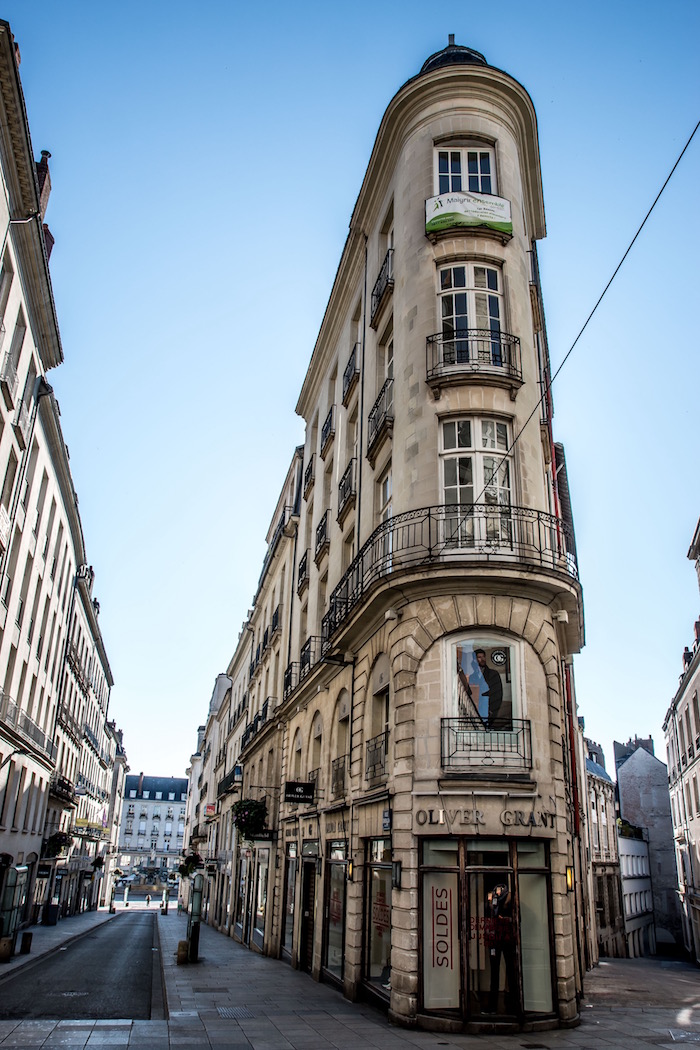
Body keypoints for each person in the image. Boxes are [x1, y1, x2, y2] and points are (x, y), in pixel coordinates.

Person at [474, 649, 510, 728]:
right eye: (479, 657)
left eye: (483, 656)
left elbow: (498, 693)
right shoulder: (471, 675)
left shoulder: (493, 674)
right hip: (474, 710)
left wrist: (492, 710)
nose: (482, 659)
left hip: (488, 710)